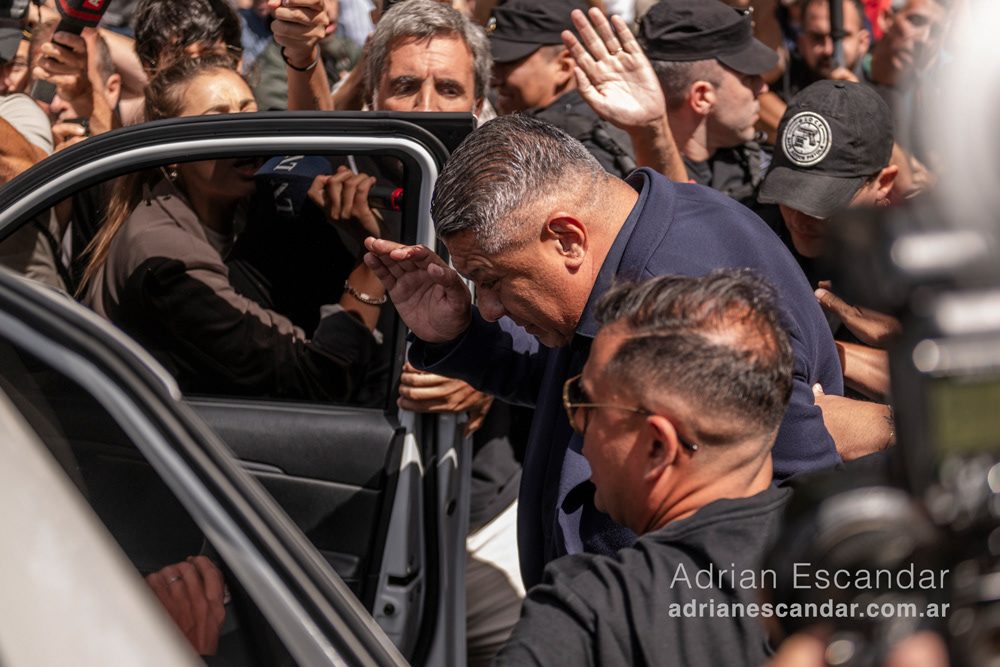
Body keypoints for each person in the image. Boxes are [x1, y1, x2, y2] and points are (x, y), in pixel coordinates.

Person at [363, 113, 843, 588]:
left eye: (492, 281)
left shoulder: (684, 302)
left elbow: (802, 498)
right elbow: (563, 379)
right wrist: (459, 334)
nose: (487, 307)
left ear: (568, 238)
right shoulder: (633, 238)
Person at [494, 270, 795, 666]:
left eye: (588, 404)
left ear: (658, 446)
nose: (576, 421)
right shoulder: (850, 565)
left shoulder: (590, 618)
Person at [80, 54, 388, 402]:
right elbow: (318, 377)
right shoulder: (166, 265)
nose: (243, 135)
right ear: (171, 150)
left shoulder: (247, 201)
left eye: (247, 113)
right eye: (219, 123)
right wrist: (375, 258)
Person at [757, 79, 900, 459]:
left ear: (883, 183)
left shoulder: (925, 253)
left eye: (826, 200)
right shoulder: (753, 238)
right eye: (791, 192)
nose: (802, 216)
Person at [486, 0, 636, 178]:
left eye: (507, 63)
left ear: (563, 67)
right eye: (491, 64)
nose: (493, 80)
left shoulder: (579, 150)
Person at [758, 0, 872, 140]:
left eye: (840, 36)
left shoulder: (880, 89)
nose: (828, 49)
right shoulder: (786, 78)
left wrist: (860, 108)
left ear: (863, 41)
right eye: (817, 37)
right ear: (801, 42)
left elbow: (899, 157)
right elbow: (755, 96)